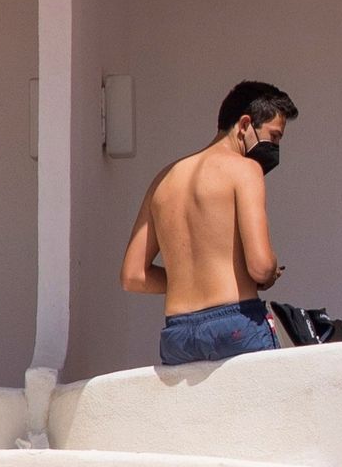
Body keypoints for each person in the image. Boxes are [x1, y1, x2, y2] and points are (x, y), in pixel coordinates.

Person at [120, 80, 298, 365]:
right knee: (259, 410)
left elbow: (133, 276)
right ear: (244, 125)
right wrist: (270, 272)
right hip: (235, 323)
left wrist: (189, 278)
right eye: (274, 136)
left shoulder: (165, 179)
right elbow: (260, 265)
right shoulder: (245, 170)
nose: (275, 147)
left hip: (178, 332)